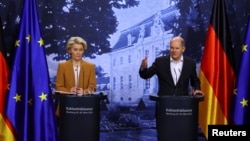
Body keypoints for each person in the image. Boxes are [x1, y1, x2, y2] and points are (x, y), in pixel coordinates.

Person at [139, 36, 204, 96]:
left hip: (183, 104)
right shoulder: (160, 62)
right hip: (164, 103)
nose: (174, 51)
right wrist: (143, 68)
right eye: (172, 48)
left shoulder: (190, 63)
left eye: (177, 48)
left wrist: (197, 89)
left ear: (183, 49)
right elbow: (146, 75)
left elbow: (195, 80)